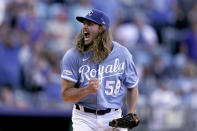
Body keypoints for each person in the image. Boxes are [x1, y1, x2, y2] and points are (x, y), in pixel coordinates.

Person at [61, 9, 139, 131]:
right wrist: (86, 90)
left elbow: (132, 86)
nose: (85, 27)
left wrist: (131, 112)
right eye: (84, 24)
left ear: (102, 29)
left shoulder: (122, 54)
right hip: (84, 117)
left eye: (90, 24)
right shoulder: (73, 55)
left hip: (113, 116)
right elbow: (66, 96)